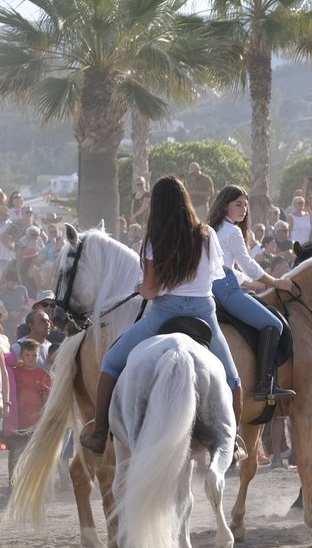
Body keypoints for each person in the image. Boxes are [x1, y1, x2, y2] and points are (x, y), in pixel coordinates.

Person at [82, 177, 240, 455]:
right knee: (232, 378)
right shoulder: (206, 234)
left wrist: (138, 287)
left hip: (166, 311)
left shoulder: (155, 238)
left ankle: (99, 433)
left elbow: (151, 291)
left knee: (110, 363)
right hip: (205, 312)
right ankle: (233, 442)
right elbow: (214, 277)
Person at [207, 186, 296, 403]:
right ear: (224, 204)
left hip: (212, 289)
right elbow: (248, 265)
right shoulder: (233, 231)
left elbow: (224, 266)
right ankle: (265, 385)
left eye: (245, 205)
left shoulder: (212, 228)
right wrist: (275, 282)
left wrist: (249, 283)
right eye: (238, 204)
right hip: (226, 290)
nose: (244, 209)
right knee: (274, 324)